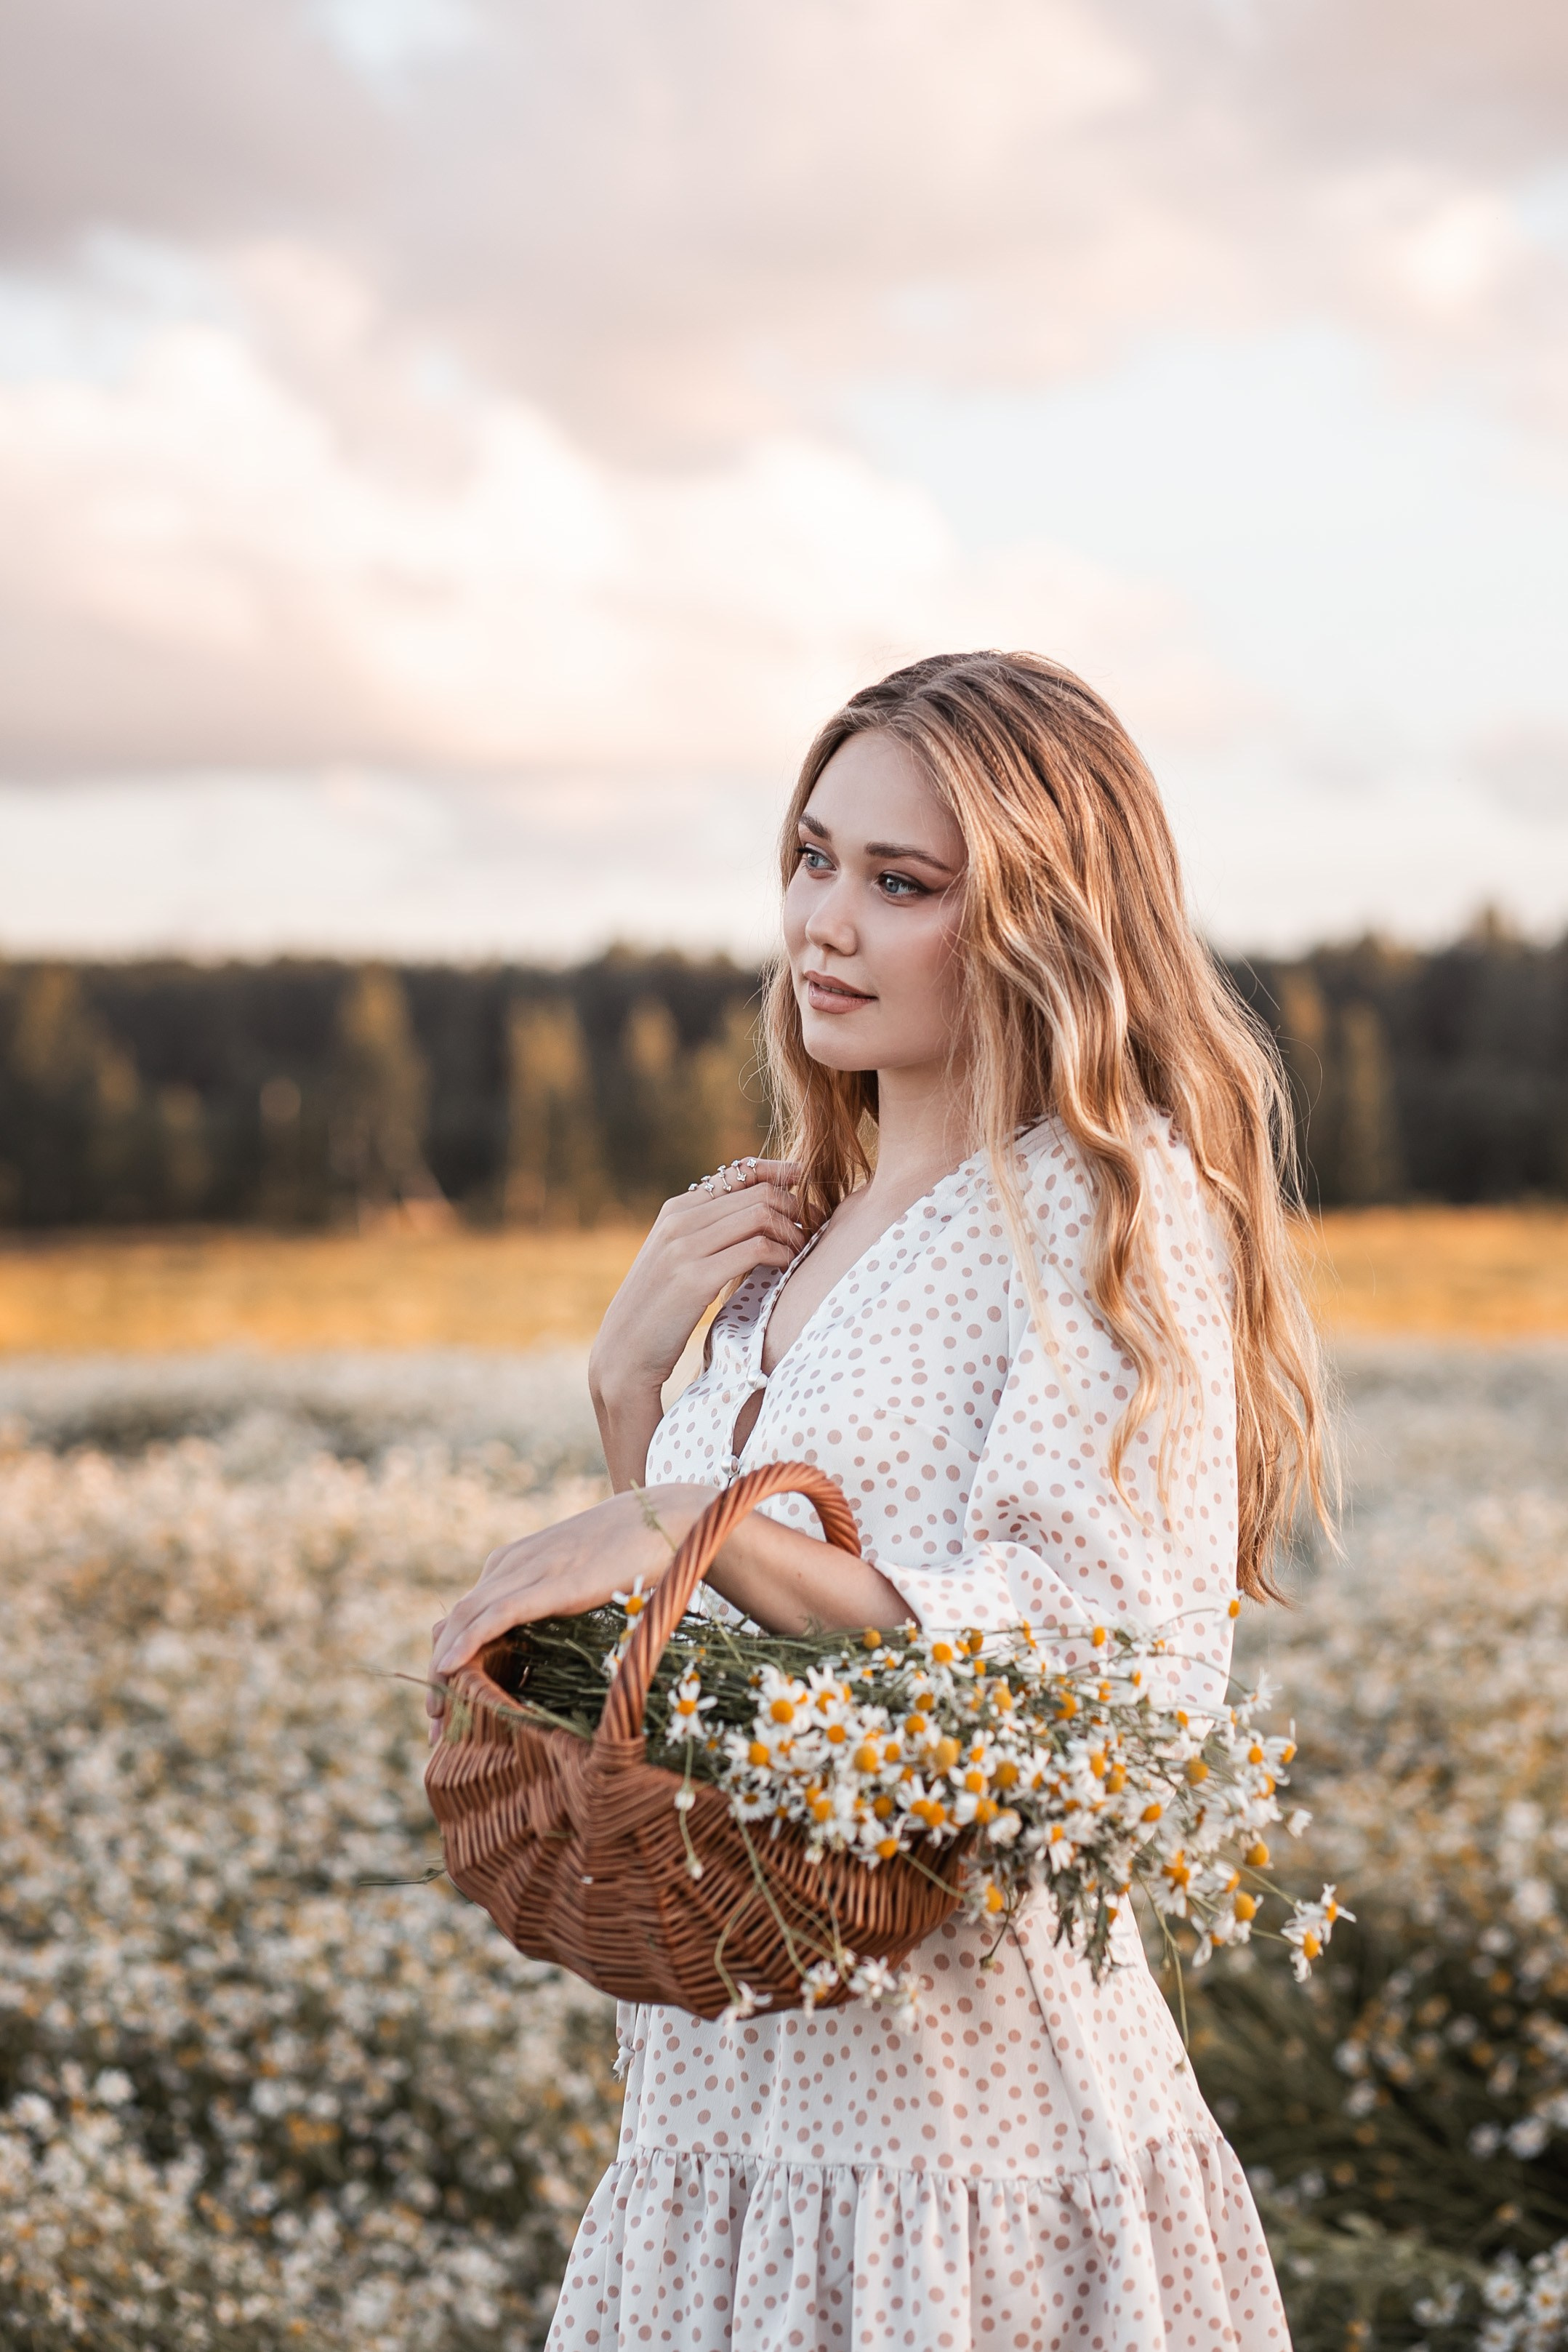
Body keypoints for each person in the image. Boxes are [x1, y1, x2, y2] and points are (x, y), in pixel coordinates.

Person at [430, 650, 1327, 2350]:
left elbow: (1108, 1682)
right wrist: (630, 1394)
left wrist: (681, 1523)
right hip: (727, 2126)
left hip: (957, 2145)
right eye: (811, 855)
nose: (820, 922)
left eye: (899, 882)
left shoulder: (1103, 1213)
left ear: (1040, 923)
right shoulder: (783, 1233)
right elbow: (716, 1682)